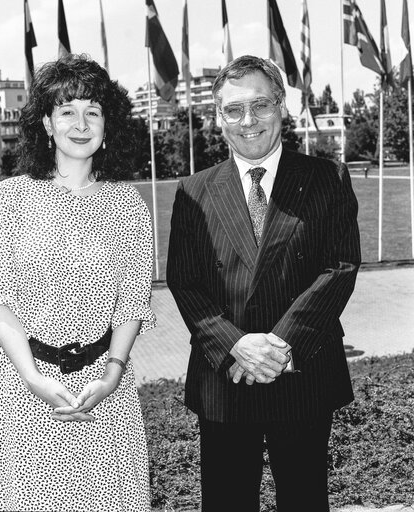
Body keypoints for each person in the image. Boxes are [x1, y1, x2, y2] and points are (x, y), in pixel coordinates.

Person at [166, 55, 361, 512]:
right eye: (233, 109)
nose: (248, 120)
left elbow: (340, 266)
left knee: (305, 500)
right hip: (225, 378)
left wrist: (278, 344)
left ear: (283, 107)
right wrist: (236, 345)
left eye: (261, 104)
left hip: (302, 371)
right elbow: (185, 281)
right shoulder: (193, 190)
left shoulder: (325, 177)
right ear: (217, 116)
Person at [0, 54, 156, 512]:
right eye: (66, 111)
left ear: (107, 125)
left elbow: (132, 303)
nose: (80, 123)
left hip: (105, 392)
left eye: (92, 111)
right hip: (29, 393)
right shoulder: (9, 199)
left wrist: (112, 375)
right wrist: (34, 378)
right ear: (46, 125)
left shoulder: (127, 204)